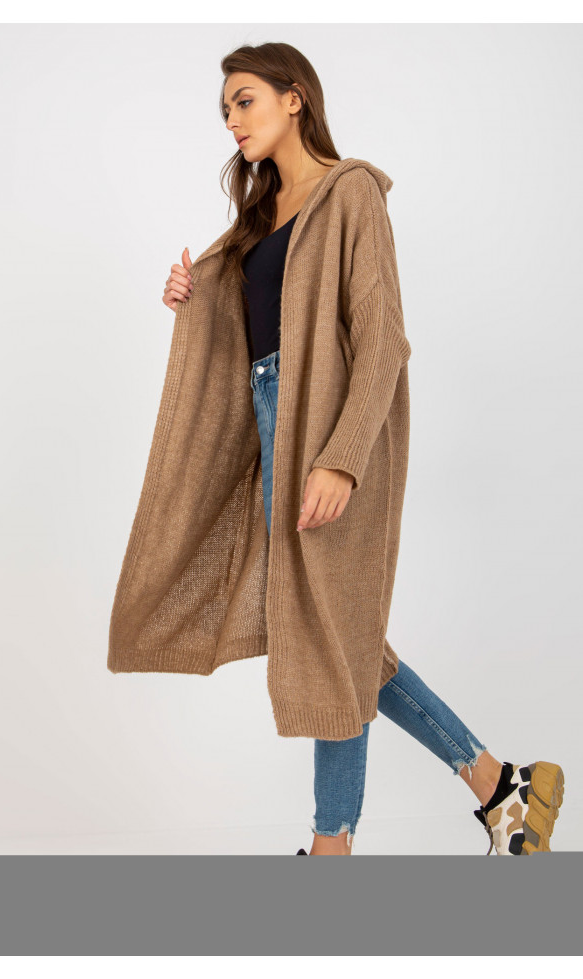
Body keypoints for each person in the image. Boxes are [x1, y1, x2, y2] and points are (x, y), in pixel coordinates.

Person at [117, 42, 565, 855]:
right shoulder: (259, 218)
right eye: (225, 109)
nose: (232, 120)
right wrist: (194, 296)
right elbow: (253, 336)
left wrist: (342, 457)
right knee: (338, 632)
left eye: (245, 100)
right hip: (273, 426)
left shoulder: (350, 191)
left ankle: (333, 849)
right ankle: (502, 785)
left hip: (331, 428)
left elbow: (383, 338)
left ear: (294, 98)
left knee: (329, 637)